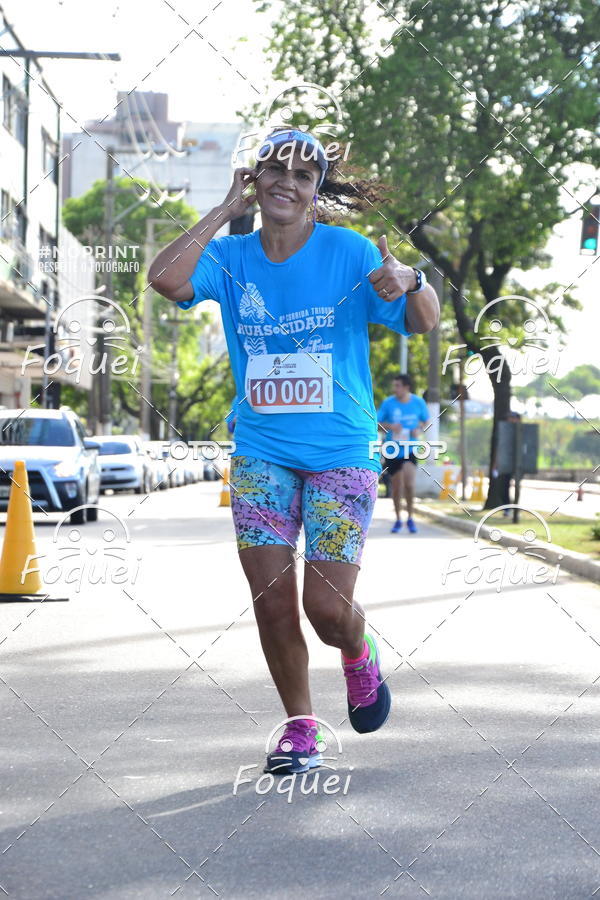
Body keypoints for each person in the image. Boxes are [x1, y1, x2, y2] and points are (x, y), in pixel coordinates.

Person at [149, 128, 439, 774]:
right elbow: (164, 278)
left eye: (303, 176)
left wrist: (412, 278)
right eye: (274, 170)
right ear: (257, 178)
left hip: (343, 452)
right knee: (273, 600)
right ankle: (301, 728)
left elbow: (425, 320)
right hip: (260, 452)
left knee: (326, 609)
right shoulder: (231, 259)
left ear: (315, 193)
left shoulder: (347, 253)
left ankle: (358, 651)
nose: (287, 181)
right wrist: (226, 209)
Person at [377, 374, 430, 533]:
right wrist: (391, 426)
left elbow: (426, 421)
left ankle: (411, 518)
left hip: (410, 449)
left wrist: (419, 429)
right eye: (394, 386)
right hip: (392, 450)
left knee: (409, 484)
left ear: (407, 387)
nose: (395, 389)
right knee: (397, 487)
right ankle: (399, 519)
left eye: (398, 386)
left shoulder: (418, 402)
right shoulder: (388, 403)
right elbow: (377, 423)